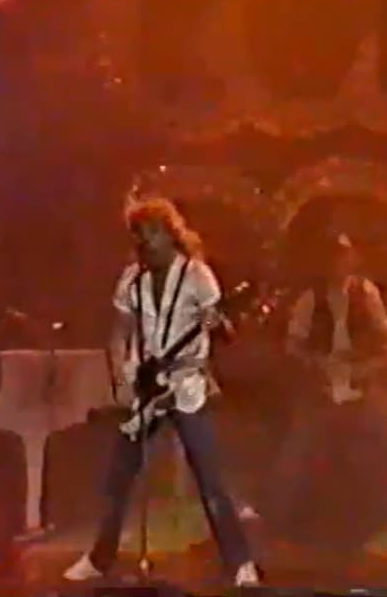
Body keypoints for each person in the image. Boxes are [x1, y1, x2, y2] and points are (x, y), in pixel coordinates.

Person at [62, 196, 260, 587]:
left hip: (186, 386)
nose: (146, 242)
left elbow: (227, 333)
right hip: (146, 390)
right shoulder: (132, 279)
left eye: (152, 233)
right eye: (139, 234)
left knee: (210, 480)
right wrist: (121, 381)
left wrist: (217, 324)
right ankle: (99, 559)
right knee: (119, 479)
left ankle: (240, 562)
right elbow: (119, 334)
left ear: (171, 234)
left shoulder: (197, 275)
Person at [269, 233, 387, 553]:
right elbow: (292, 344)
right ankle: (275, 514)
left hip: (361, 384)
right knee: (299, 443)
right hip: (324, 386)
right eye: (334, 257)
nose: (340, 263)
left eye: (345, 256)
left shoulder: (366, 293)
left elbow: (386, 335)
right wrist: (318, 363)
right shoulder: (310, 299)